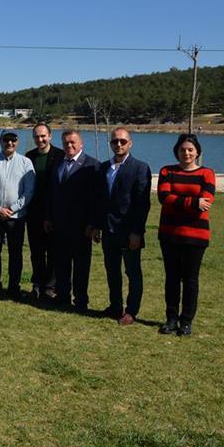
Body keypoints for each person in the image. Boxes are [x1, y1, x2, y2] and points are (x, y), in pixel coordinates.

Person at [91, 128, 152, 325]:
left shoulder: (140, 168)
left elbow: (142, 204)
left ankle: (131, 310)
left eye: (123, 141)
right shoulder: (103, 168)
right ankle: (115, 306)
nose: (118, 144)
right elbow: (101, 201)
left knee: (132, 272)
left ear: (130, 143)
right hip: (108, 230)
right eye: (115, 141)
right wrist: (97, 226)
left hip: (129, 231)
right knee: (112, 270)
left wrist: (137, 232)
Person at [157, 134, 215, 336]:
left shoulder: (207, 173)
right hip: (169, 234)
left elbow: (206, 201)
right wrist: (192, 202)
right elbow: (164, 197)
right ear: (177, 152)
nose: (186, 153)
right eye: (183, 150)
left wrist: (179, 201)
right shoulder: (167, 171)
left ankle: (186, 321)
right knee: (171, 278)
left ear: (197, 151)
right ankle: (171, 319)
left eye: (190, 149)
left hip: (196, 236)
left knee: (190, 280)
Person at [44, 129, 99, 312]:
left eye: (73, 142)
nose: (69, 145)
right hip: (59, 225)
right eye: (66, 142)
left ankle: (81, 301)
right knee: (61, 264)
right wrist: (49, 217)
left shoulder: (92, 165)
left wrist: (92, 224)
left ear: (81, 143)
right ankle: (63, 296)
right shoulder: (58, 164)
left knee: (81, 266)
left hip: (81, 227)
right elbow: (52, 194)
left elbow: (94, 199)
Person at [0, 129, 35, 299]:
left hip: (16, 217)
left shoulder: (26, 162)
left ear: (17, 142)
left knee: (15, 254)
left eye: (13, 140)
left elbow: (29, 191)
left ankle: (14, 287)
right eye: (6, 140)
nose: (10, 143)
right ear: (0, 141)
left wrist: (12, 209)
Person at [24, 123, 65, 300]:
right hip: (34, 211)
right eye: (37, 137)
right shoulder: (29, 156)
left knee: (53, 251)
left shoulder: (60, 156)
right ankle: (38, 284)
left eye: (43, 136)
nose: (40, 140)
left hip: (54, 211)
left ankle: (51, 286)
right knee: (36, 251)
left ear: (50, 136)